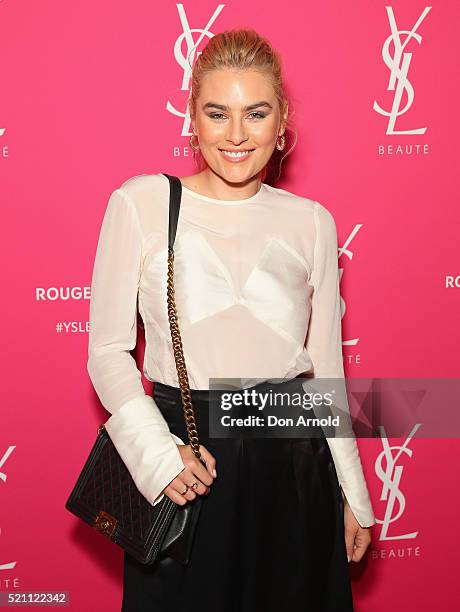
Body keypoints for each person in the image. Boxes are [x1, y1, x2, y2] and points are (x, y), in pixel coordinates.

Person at [87, 28, 376, 612]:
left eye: (256, 112)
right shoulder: (141, 203)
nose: (237, 135)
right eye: (217, 113)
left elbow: (325, 375)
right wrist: (159, 454)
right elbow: (107, 352)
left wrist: (354, 493)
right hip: (190, 456)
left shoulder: (312, 221)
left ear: (282, 119)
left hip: (294, 464)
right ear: (192, 116)